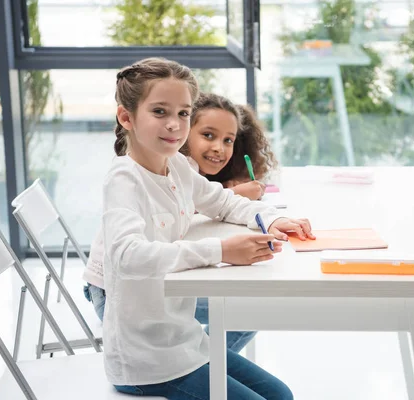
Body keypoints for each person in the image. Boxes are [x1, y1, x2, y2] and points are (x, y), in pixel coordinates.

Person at [99, 57, 314, 399]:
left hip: (185, 342)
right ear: (127, 117)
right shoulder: (124, 180)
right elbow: (127, 256)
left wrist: (271, 218)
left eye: (183, 113)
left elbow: (225, 202)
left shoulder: (180, 167)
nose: (174, 124)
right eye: (159, 112)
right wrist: (222, 251)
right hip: (148, 362)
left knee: (281, 394)